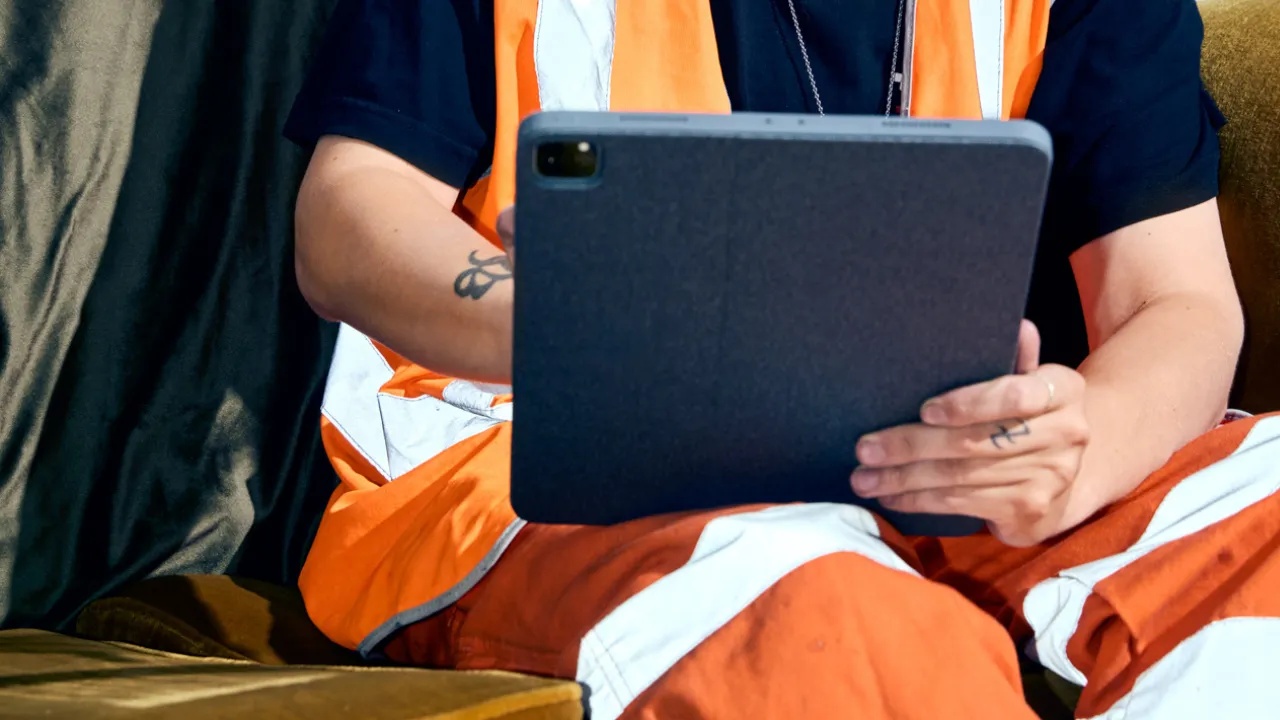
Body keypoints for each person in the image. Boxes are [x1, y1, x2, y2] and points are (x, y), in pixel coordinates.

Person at [284, 1, 1280, 717]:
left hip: (951, 465)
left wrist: (1085, 443)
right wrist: (565, 323)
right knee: (834, 623)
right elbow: (347, 212)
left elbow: (1179, 301)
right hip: (559, 475)